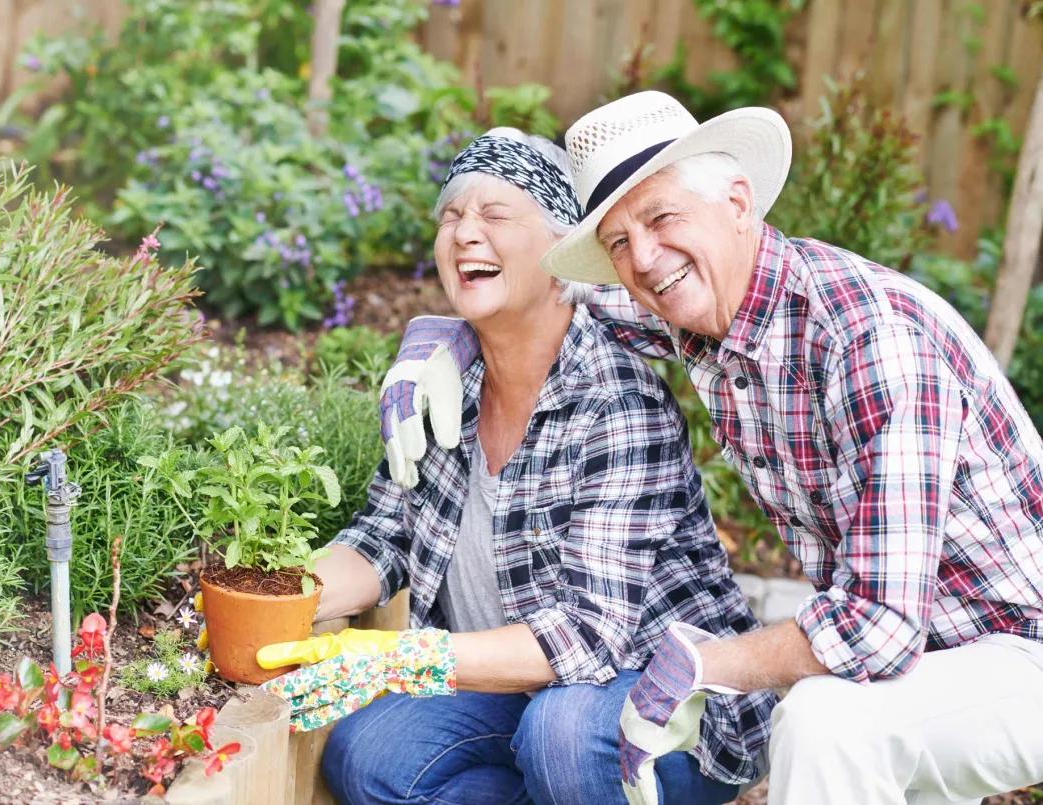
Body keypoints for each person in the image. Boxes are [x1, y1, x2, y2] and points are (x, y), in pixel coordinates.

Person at [375, 93, 1043, 805]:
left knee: (825, 725)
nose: (645, 259)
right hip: (925, 659)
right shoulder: (707, 316)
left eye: (661, 218)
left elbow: (877, 626)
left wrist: (704, 661)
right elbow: (551, 300)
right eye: (620, 242)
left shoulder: (868, 341)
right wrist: (442, 330)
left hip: (1013, 650)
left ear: (737, 201)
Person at [258, 127, 775, 805]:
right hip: (519, 690)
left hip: (652, 697)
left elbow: (589, 638)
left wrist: (403, 657)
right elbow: (382, 538)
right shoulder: (445, 386)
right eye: (451, 216)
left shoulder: (613, 398)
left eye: (496, 215)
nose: (465, 233)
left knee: (559, 735)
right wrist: (274, 597)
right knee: (371, 753)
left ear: (562, 252)